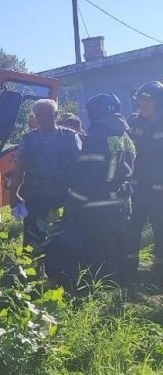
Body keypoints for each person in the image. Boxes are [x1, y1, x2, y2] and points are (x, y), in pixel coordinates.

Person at [52, 93, 135, 285]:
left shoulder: (96, 136)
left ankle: (96, 292)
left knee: (97, 253)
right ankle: (120, 289)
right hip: (121, 203)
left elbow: (88, 176)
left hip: (97, 205)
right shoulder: (123, 134)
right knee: (117, 250)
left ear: (95, 113)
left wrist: (72, 203)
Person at [10, 99, 82, 250]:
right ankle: (31, 269)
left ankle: (58, 269)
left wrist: (80, 194)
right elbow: (19, 168)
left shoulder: (70, 137)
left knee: (62, 236)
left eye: (46, 114)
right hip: (35, 196)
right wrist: (13, 193)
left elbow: (80, 166)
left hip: (64, 196)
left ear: (55, 115)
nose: (42, 118)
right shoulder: (28, 139)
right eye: (38, 115)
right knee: (32, 238)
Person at [127, 80, 163, 276]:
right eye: (139, 101)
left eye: (146, 101)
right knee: (133, 227)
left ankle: (159, 271)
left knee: (161, 228)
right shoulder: (133, 123)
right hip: (137, 187)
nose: (141, 105)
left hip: (160, 189)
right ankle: (130, 270)